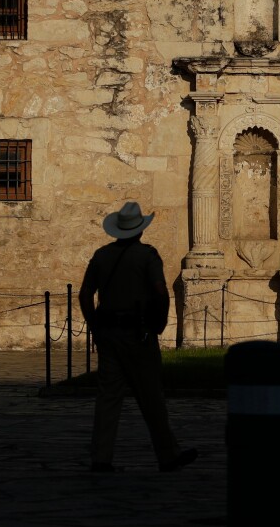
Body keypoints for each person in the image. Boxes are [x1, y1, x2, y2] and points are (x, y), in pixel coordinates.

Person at [79, 201, 197, 473]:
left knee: (108, 397)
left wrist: (95, 326)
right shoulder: (147, 256)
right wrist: (159, 323)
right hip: (137, 333)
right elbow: (159, 290)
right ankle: (167, 455)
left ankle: (101, 457)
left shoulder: (101, 256)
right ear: (140, 231)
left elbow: (85, 294)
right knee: (151, 396)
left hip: (108, 333)